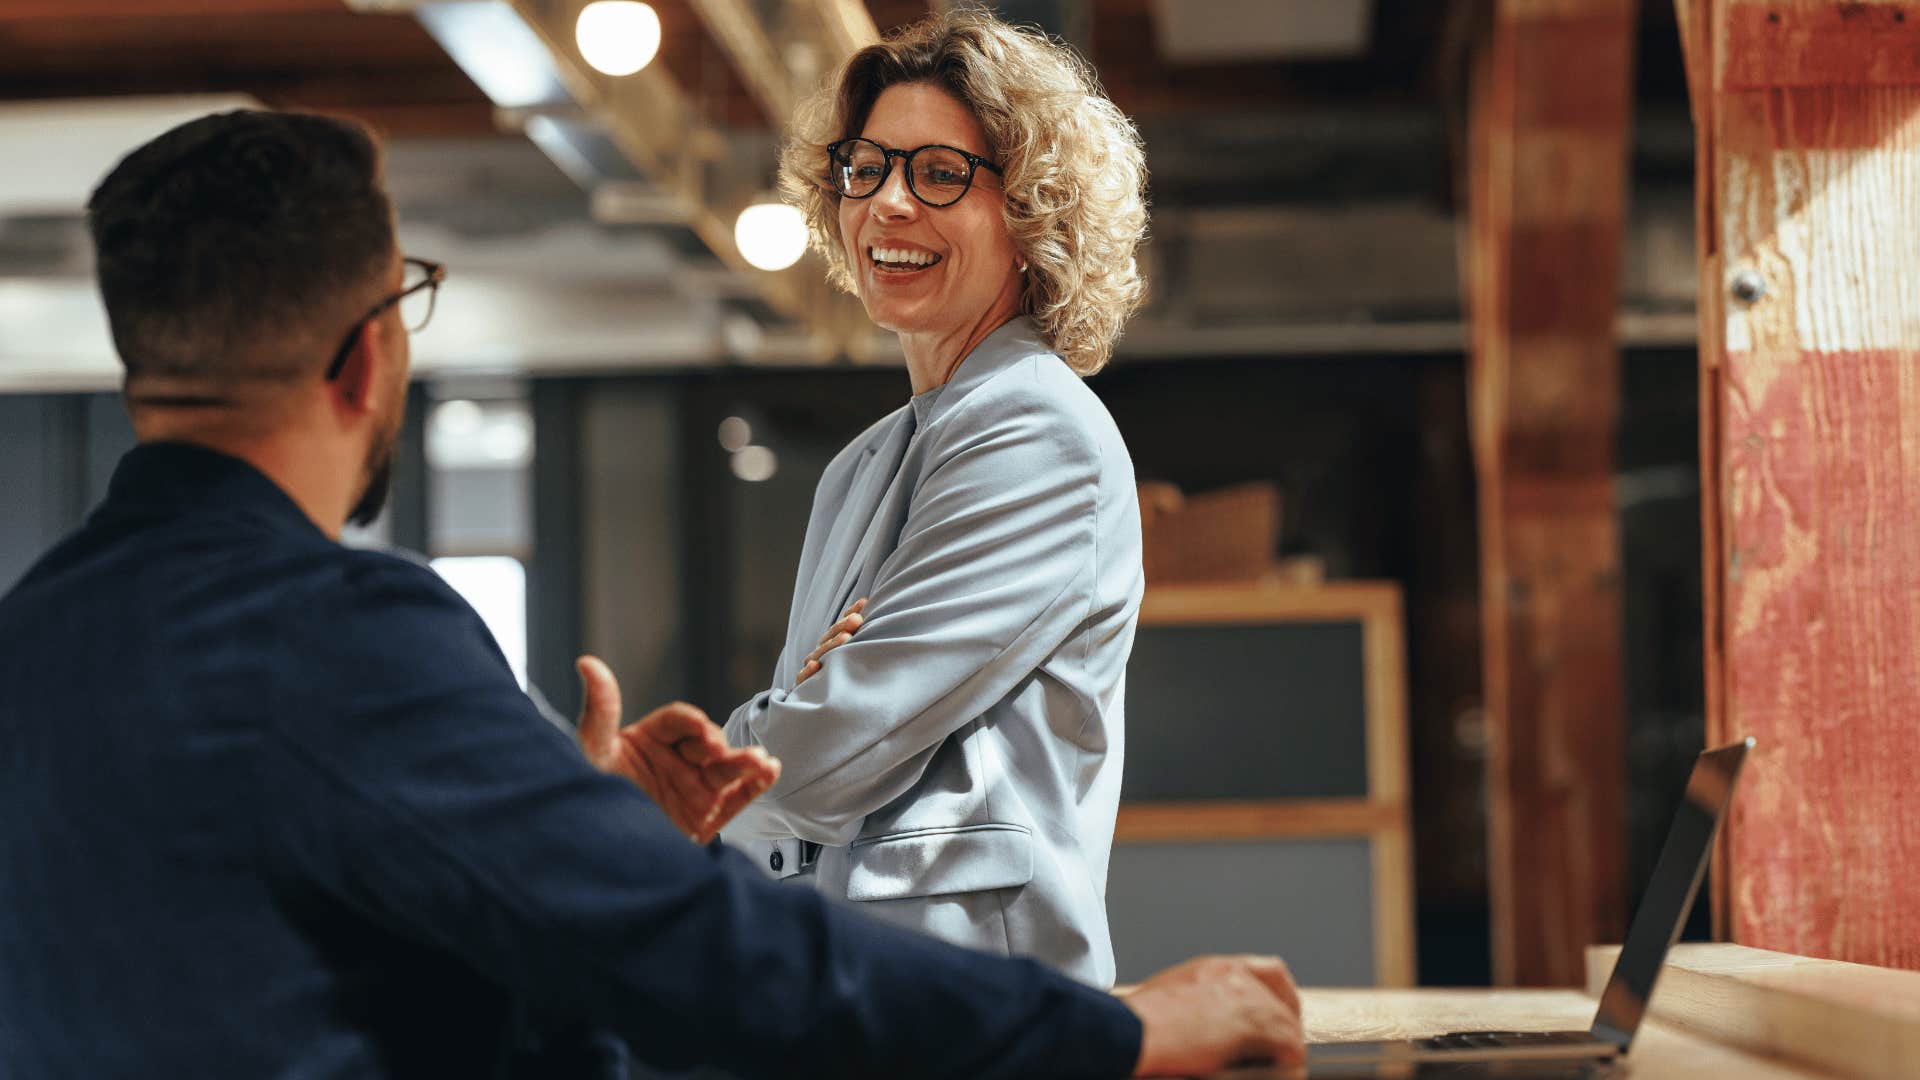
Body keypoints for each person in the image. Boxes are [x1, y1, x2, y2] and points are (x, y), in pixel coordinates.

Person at [0, 109, 1306, 1078]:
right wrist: (1119, 1033)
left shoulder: (34, 638)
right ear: (372, 356)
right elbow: (698, 959)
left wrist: (576, 823)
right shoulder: (340, 635)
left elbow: (258, 949)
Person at [718, 10, 1149, 988]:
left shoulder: (1040, 434)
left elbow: (825, 755)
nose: (890, 206)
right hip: (862, 994)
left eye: (940, 174)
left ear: (1033, 210)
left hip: (985, 1000)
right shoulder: (863, 466)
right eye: (865, 170)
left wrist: (758, 734)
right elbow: (821, 734)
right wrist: (811, 706)